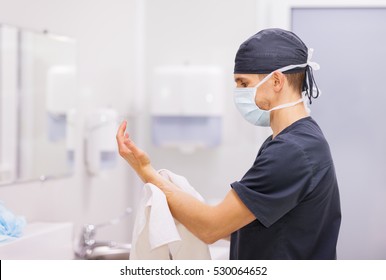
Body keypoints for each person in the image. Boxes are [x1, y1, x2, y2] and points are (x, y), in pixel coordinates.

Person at [116, 28, 341, 260]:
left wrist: (146, 172)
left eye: (243, 84)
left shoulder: (292, 151)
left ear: (276, 81)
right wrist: (189, 205)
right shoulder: (292, 141)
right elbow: (244, 227)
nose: (238, 93)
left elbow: (211, 229)